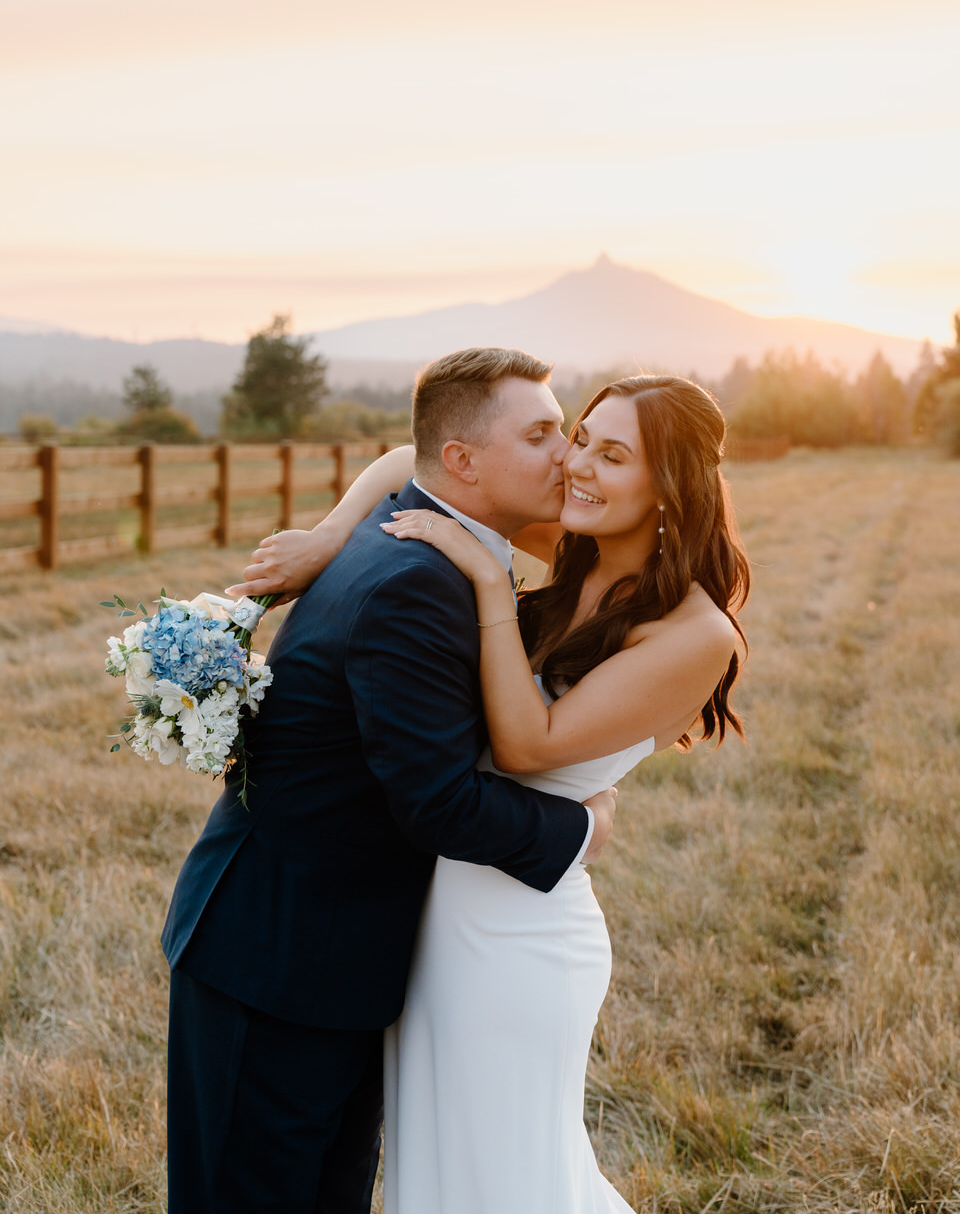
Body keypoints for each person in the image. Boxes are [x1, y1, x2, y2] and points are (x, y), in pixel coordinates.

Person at [232, 369, 750, 1214]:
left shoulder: (695, 633)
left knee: (507, 1176)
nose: (577, 465)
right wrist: (330, 538)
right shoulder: (579, 546)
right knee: (438, 1170)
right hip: (438, 914)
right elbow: (417, 455)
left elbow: (524, 744)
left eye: (612, 455)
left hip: (520, 938)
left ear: (670, 490)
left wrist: (485, 582)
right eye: (579, 439)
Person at [161, 347, 619, 1214]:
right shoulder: (417, 580)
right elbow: (438, 804)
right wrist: (584, 827)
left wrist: (334, 527)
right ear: (463, 463)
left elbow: (402, 454)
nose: (566, 453)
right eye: (544, 432)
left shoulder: (415, 535)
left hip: (329, 954)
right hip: (278, 964)